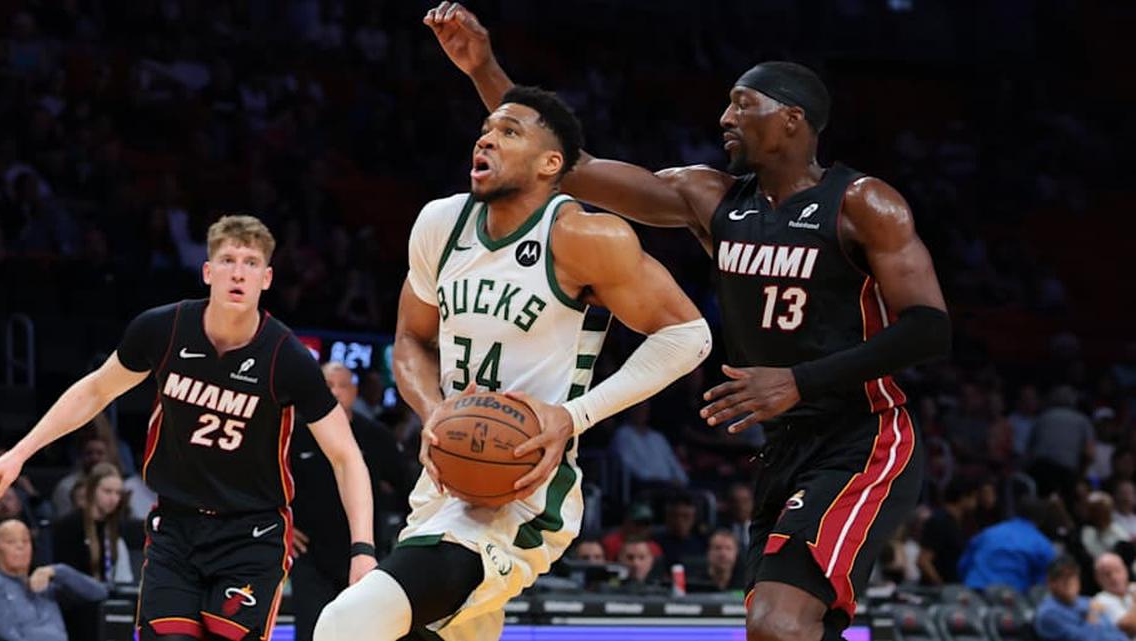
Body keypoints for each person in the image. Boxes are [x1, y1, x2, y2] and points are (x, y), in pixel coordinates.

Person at [427, 4, 951, 639]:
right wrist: (484, 70)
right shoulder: (711, 199)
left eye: (742, 105)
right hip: (783, 445)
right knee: (789, 627)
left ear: (792, 120)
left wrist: (798, 380)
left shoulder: (864, 203)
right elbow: (575, 164)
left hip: (863, 437)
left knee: (777, 625)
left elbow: (929, 329)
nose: (724, 118)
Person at [314, 83, 710, 641]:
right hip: (443, 482)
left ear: (552, 163)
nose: (486, 139)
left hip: (522, 492)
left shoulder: (585, 236)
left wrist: (573, 416)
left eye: (508, 131)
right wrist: (434, 413)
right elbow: (409, 340)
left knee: (348, 621)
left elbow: (689, 336)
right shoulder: (440, 225)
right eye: (485, 130)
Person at [0, 214, 376, 641]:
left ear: (266, 279)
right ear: (207, 271)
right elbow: (95, 392)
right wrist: (19, 453)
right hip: (175, 527)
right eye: (228, 259)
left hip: (251, 534)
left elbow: (346, 458)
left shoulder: (286, 358)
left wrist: (362, 550)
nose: (238, 272)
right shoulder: (163, 329)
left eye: (251, 262)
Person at [290, 361, 402, 641]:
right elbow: (267, 486)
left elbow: (408, 488)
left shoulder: (377, 437)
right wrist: (284, 526)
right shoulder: (294, 435)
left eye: (343, 386)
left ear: (354, 391)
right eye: (329, 386)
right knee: (312, 633)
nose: (336, 393)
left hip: (365, 554)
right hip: (310, 558)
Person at [0, 519, 109, 641]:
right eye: (11, 541)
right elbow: (8, 636)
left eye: (25, 540)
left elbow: (99, 593)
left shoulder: (46, 585)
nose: (20, 546)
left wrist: (58, 571)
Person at [52, 461, 137, 584]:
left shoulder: (116, 526)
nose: (114, 499)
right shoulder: (70, 524)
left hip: (108, 595)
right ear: (92, 490)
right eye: (107, 491)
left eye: (118, 493)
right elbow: (64, 573)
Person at [958, 499, 1055, 593]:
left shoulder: (989, 532)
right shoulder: (1042, 544)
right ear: (1042, 520)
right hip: (1011, 597)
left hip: (974, 591)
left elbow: (964, 564)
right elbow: (1043, 583)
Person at [1035, 555, 1128, 641]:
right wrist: (1093, 613)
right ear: (1051, 583)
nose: (1069, 582)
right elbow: (1085, 639)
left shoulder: (1085, 601)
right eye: (1063, 578)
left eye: (1072, 576)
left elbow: (1114, 632)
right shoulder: (1048, 614)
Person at [610, 402, 689, 489]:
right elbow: (628, 464)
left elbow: (672, 462)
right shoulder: (622, 434)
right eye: (638, 408)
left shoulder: (657, 437)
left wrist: (681, 480)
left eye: (644, 408)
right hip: (644, 488)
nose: (641, 412)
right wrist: (656, 480)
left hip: (670, 488)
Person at [917, 476, 978, 585]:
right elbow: (923, 561)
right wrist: (941, 586)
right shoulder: (939, 522)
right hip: (939, 595)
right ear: (964, 498)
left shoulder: (959, 523)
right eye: (974, 498)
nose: (975, 503)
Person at [1091, 552, 1136, 637]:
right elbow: (1129, 625)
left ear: (1125, 570)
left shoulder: (1133, 587)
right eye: (1107, 574)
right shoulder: (1099, 601)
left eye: (1117, 570)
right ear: (1098, 578)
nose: (1114, 577)